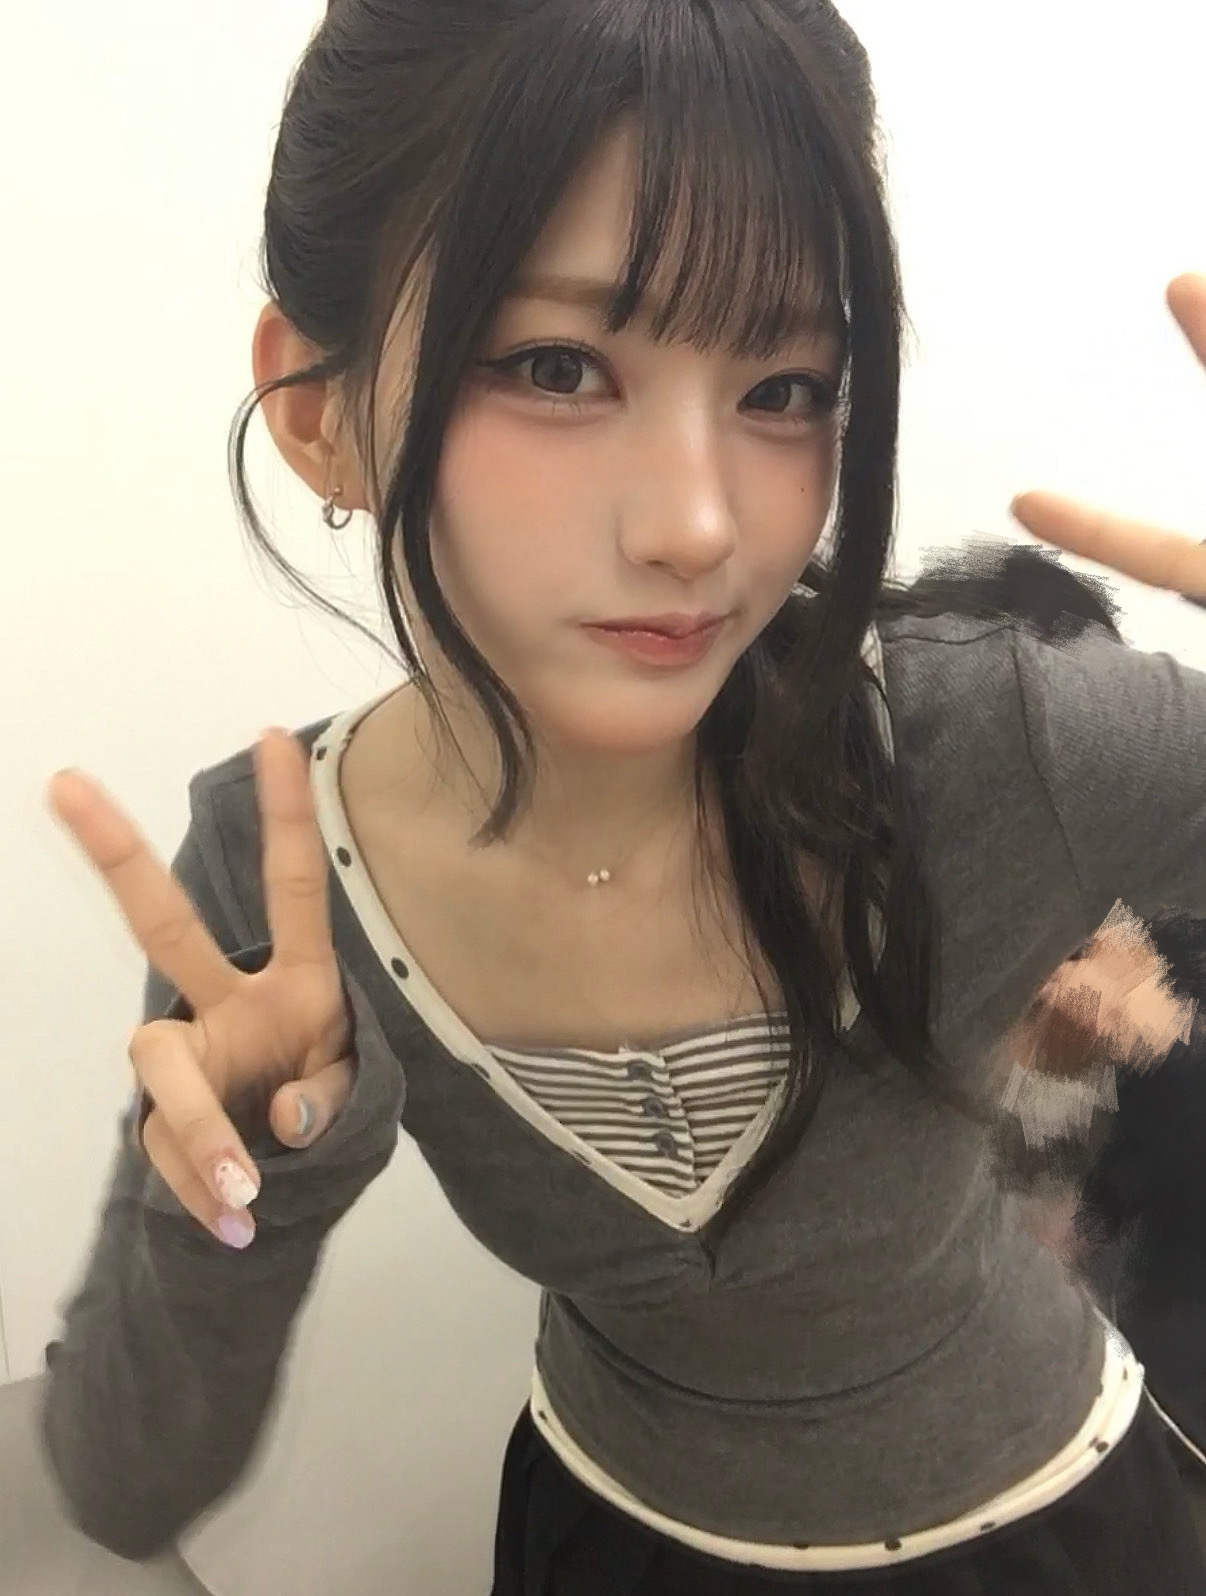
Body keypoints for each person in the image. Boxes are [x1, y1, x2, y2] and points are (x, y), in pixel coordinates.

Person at [36, 1, 1206, 1589]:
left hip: (1039, 1533)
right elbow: (122, 1477)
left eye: (784, 388)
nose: (697, 526)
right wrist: (246, 1192)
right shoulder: (281, 863)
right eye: (557, 366)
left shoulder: (985, 738)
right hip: (610, 1531)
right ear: (317, 411)